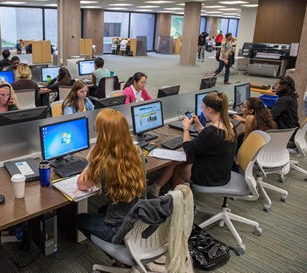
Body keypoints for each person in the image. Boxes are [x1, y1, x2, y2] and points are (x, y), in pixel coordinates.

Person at [76, 108, 146, 242]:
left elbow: (82, 184)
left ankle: (118, 258)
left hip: (118, 228)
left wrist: (95, 155)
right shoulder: (137, 152)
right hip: (139, 217)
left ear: (102, 135)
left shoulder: (104, 162)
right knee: (102, 208)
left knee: (80, 219)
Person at [148, 91, 236, 197]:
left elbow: (188, 148)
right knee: (183, 160)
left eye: (203, 108)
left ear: (209, 109)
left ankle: (183, 201)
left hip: (211, 177)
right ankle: (157, 187)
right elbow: (210, 139)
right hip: (222, 172)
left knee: (178, 170)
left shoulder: (211, 131)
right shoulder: (229, 125)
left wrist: (186, 128)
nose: (202, 111)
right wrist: (198, 125)